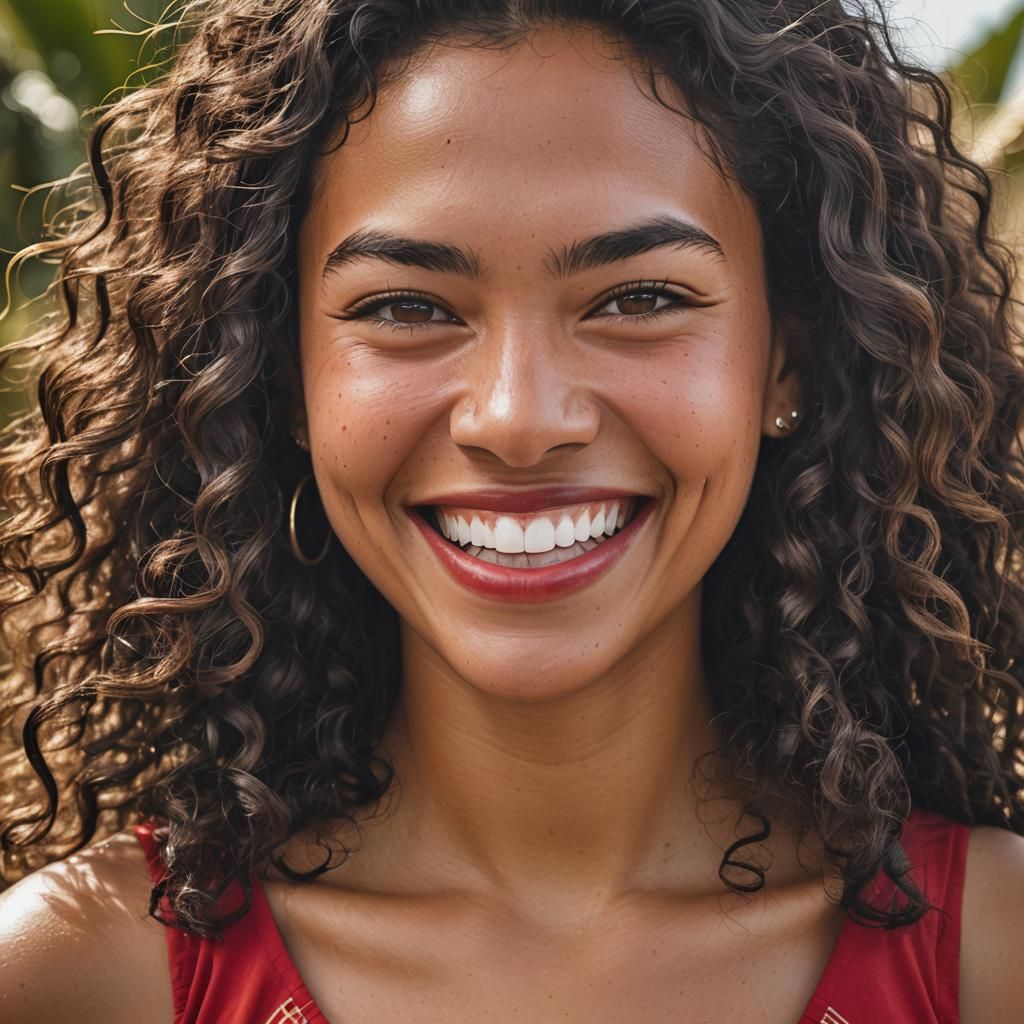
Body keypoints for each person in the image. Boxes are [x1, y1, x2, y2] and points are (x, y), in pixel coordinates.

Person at [1, 0, 1023, 1020]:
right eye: (406, 306)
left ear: (783, 362)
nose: (518, 419)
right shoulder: (82, 975)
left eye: (640, 298)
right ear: (281, 379)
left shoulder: (990, 957)